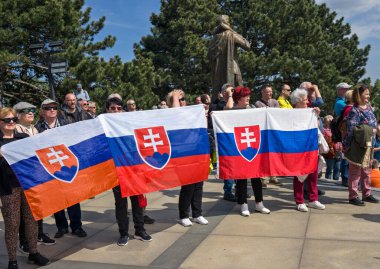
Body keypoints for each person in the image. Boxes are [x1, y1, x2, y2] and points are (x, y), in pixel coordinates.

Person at [0, 107, 50, 269]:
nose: (11, 123)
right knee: (12, 224)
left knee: (31, 220)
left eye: (14, 119)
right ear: (0, 122)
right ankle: (12, 260)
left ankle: (33, 253)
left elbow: (34, 159)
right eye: (7, 120)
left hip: (28, 185)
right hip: (7, 188)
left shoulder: (23, 137)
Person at [106, 97, 152, 245]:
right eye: (113, 108)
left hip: (134, 169)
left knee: (137, 202)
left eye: (119, 108)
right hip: (116, 171)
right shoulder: (103, 126)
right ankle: (123, 233)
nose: (116, 111)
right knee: (121, 204)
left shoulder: (130, 123)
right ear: (107, 110)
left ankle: (140, 230)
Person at [12, 102, 55, 253]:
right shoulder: (15, 130)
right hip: (23, 175)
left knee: (38, 206)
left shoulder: (35, 129)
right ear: (18, 114)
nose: (31, 113)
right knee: (25, 211)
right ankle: (24, 241)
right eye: (26, 111)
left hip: (37, 174)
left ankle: (38, 234)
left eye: (32, 110)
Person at [226, 86, 270, 216]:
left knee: (256, 176)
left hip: (253, 145)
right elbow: (225, 114)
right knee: (242, 177)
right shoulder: (232, 111)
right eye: (245, 96)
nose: (248, 98)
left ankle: (259, 203)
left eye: (248, 96)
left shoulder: (252, 110)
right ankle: (243, 204)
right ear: (238, 98)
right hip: (238, 146)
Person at [167, 89, 208, 226]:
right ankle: (183, 215)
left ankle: (197, 214)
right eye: (180, 99)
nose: (182, 101)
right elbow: (175, 113)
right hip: (182, 154)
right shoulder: (171, 114)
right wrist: (174, 97)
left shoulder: (191, 113)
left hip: (196, 151)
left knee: (198, 185)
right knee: (188, 186)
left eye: (183, 99)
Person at [55, 93, 89, 238]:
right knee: (58, 196)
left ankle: (76, 226)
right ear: (65, 101)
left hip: (78, 158)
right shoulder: (60, 116)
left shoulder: (84, 114)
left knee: (74, 195)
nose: (72, 102)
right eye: (69, 100)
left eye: (74, 100)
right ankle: (61, 227)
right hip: (62, 159)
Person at [289, 88, 325, 212]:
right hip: (298, 149)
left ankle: (313, 199)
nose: (307, 102)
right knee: (299, 175)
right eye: (305, 100)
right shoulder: (290, 114)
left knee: (313, 174)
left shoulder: (311, 112)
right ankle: (299, 201)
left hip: (311, 147)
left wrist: (317, 115)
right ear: (297, 101)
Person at [343, 85, 379, 206]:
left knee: (367, 170)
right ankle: (353, 196)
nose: (369, 96)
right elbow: (351, 129)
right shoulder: (355, 111)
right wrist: (370, 130)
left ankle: (367, 193)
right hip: (358, 146)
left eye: (369, 93)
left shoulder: (369, 108)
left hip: (369, 145)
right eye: (367, 93)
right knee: (355, 171)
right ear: (359, 95)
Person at [209, 15, 250, 101]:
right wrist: (232, 30)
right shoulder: (231, 34)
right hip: (232, 68)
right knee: (238, 93)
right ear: (226, 23)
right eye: (228, 21)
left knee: (220, 95)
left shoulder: (213, 39)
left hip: (218, 73)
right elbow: (247, 46)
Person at [210, 83, 236, 201]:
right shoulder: (219, 104)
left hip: (235, 137)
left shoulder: (235, 103)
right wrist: (230, 95)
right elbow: (229, 109)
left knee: (236, 165)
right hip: (225, 140)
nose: (233, 92)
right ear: (224, 93)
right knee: (229, 165)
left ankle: (238, 189)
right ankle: (228, 190)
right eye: (230, 91)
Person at [322, 115, 342, 180]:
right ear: (325, 122)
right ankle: (327, 181)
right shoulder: (323, 130)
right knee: (329, 168)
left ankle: (335, 181)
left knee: (337, 168)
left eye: (332, 121)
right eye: (329, 121)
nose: (331, 123)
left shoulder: (336, 129)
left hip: (338, 149)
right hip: (330, 151)